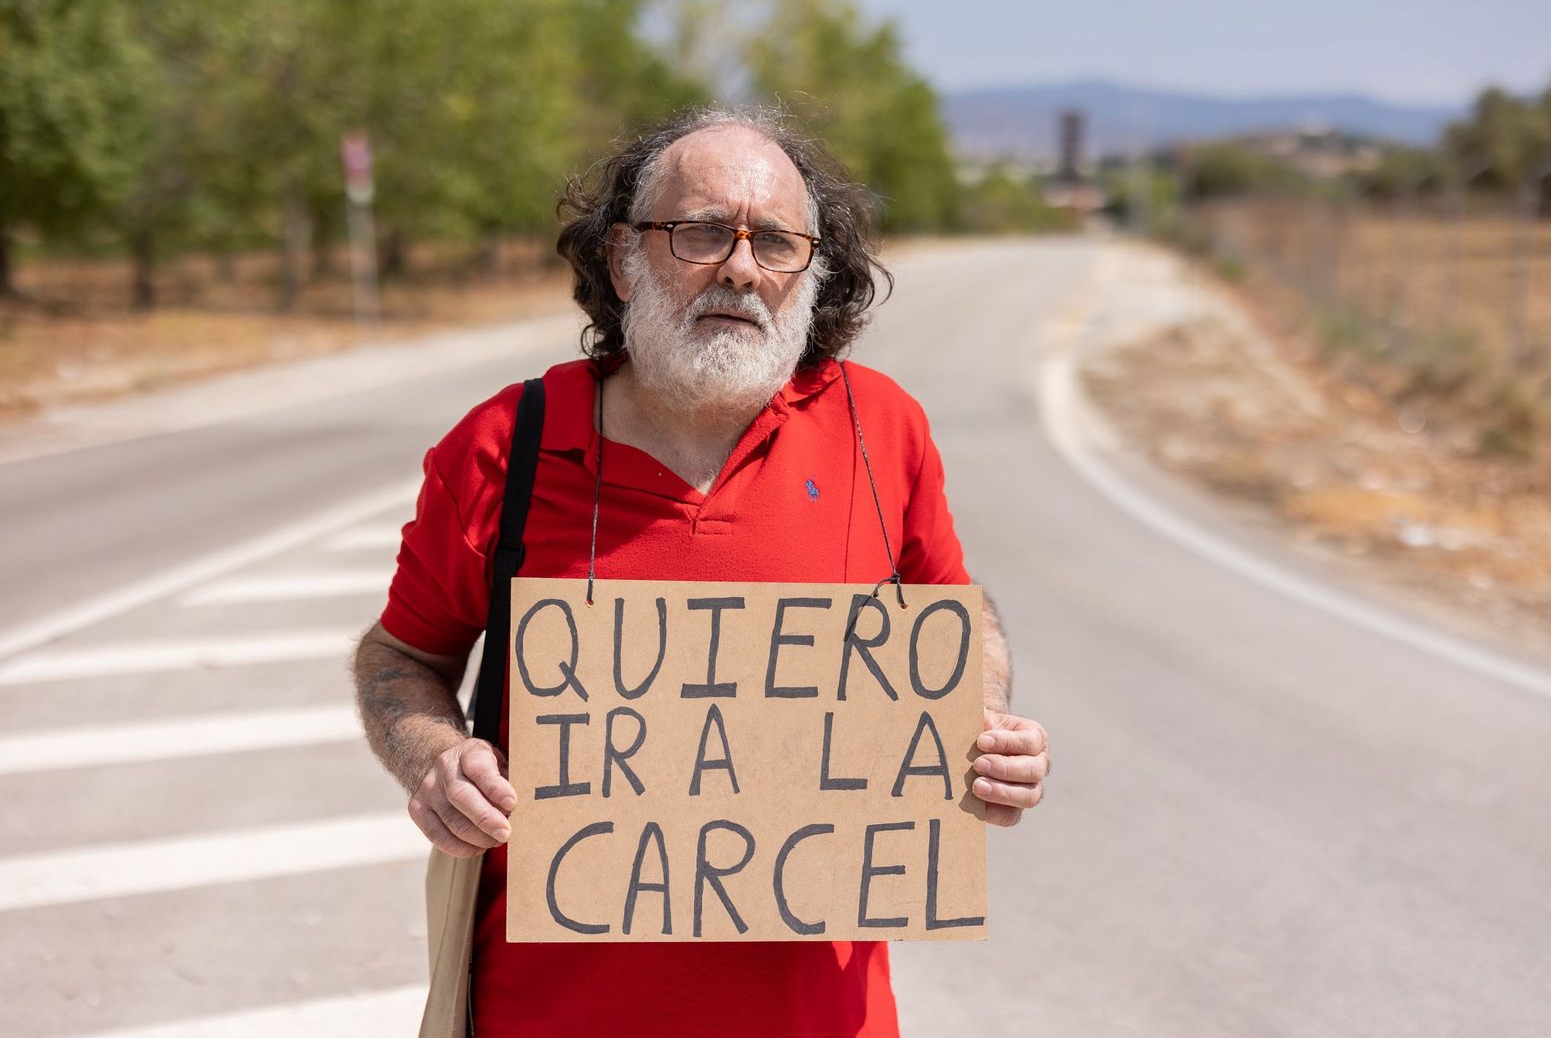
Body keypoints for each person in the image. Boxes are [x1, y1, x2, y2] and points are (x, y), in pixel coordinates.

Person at [353, 105, 1050, 1038]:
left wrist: (983, 719)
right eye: (701, 231)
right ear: (620, 258)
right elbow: (400, 657)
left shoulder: (881, 429)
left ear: (814, 268)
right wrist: (436, 762)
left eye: (776, 242)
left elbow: (956, 609)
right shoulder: (502, 448)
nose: (739, 266)